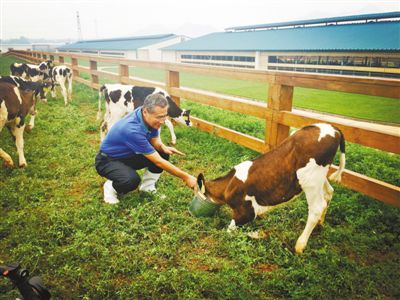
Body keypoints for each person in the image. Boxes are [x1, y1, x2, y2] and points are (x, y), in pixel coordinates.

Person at [95, 93, 197, 204]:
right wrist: (186, 177)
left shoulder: (146, 115)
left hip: (127, 155)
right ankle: (110, 187)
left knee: (162, 152)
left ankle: (147, 187)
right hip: (107, 160)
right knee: (131, 181)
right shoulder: (132, 129)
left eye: (164, 116)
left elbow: (154, 140)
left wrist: (162, 146)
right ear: (145, 112)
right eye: (159, 117)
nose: (163, 121)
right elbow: (158, 162)